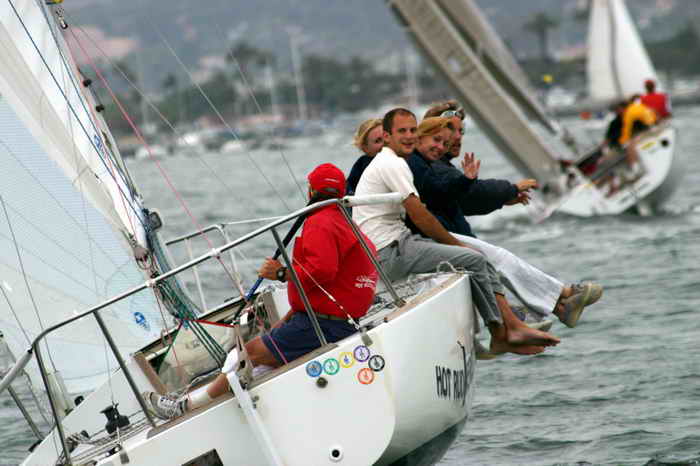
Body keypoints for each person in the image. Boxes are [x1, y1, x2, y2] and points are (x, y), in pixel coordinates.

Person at [144, 163, 378, 420]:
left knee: (250, 353)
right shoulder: (345, 221)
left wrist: (280, 274)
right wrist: (293, 314)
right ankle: (216, 402)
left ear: (311, 190)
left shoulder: (320, 221)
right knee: (250, 358)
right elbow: (333, 282)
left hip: (325, 324)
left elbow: (322, 272)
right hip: (334, 320)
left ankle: (184, 408)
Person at [353, 107, 561, 356]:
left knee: (472, 257)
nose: (408, 136)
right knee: (473, 257)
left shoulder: (393, 162)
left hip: (392, 246)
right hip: (390, 252)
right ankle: (502, 333)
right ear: (387, 137)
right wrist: (456, 244)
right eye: (401, 131)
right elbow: (419, 214)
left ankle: (508, 329)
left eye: (412, 130)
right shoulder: (392, 164)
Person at [406, 116, 603, 325]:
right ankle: (548, 305)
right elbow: (460, 194)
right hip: (431, 236)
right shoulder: (425, 165)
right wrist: (510, 189)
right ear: (419, 138)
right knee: (495, 259)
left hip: (440, 233)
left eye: (459, 133)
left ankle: (540, 311)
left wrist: (502, 199)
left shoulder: (428, 163)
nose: (455, 139)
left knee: (488, 263)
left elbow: (459, 201)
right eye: (444, 136)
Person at [346, 118, 384, 195]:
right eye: (378, 141)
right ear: (365, 148)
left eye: (386, 137)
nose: (385, 144)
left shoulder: (406, 159)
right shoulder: (360, 169)